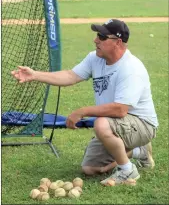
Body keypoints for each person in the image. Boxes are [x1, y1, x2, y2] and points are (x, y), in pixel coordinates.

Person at [11, 19, 158, 186]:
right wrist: (35, 75)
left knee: (101, 124)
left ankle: (127, 170)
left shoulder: (131, 68)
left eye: (102, 37)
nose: (96, 40)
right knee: (90, 168)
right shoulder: (95, 58)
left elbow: (120, 110)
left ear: (118, 42)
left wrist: (82, 111)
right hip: (118, 124)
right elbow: (71, 75)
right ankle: (140, 151)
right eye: (97, 35)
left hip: (142, 125)